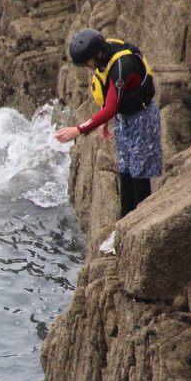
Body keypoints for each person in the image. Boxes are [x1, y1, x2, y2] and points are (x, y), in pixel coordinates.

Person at [53, 28, 163, 253]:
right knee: (125, 173)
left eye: (86, 62)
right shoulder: (104, 56)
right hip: (124, 118)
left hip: (142, 119)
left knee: (139, 175)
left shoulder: (122, 65)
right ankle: (122, 229)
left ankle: (138, 232)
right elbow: (111, 101)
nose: (86, 66)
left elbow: (112, 105)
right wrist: (104, 119)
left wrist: (78, 130)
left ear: (97, 54)